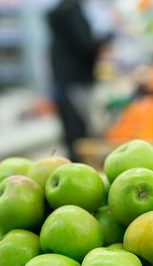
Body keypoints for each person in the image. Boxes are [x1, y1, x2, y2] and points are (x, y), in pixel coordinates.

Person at [47, 0, 112, 161]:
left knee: (73, 133)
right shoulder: (73, 9)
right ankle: (82, 171)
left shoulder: (60, 10)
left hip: (64, 80)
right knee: (83, 133)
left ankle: (74, 171)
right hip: (77, 80)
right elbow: (85, 43)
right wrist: (107, 37)